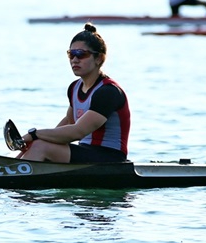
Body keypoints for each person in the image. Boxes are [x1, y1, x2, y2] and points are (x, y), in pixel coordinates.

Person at [17, 23, 130, 163]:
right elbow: (68, 122)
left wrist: (34, 135)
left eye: (82, 54)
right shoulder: (74, 88)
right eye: (71, 54)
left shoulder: (108, 92)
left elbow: (77, 132)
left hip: (110, 159)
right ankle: (15, 171)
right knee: (38, 144)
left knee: (40, 146)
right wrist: (30, 145)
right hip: (86, 153)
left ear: (99, 58)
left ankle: (14, 179)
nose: (75, 60)